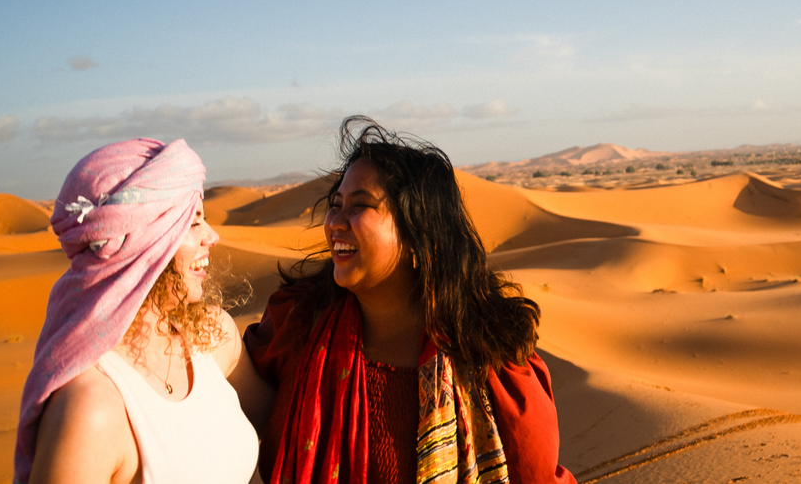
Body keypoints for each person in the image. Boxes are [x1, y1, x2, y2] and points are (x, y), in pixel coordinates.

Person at [242, 116, 576, 484]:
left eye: (360, 205)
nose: (336, 220)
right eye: (336, 203)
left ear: (418, 236)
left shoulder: (493, 367)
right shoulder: (296, 326)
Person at [13, 138, 260, 484]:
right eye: (193, 223)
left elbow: (298, 430)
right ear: (144, 244)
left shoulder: (213, 337)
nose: (213, 237)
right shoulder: (92, 408)